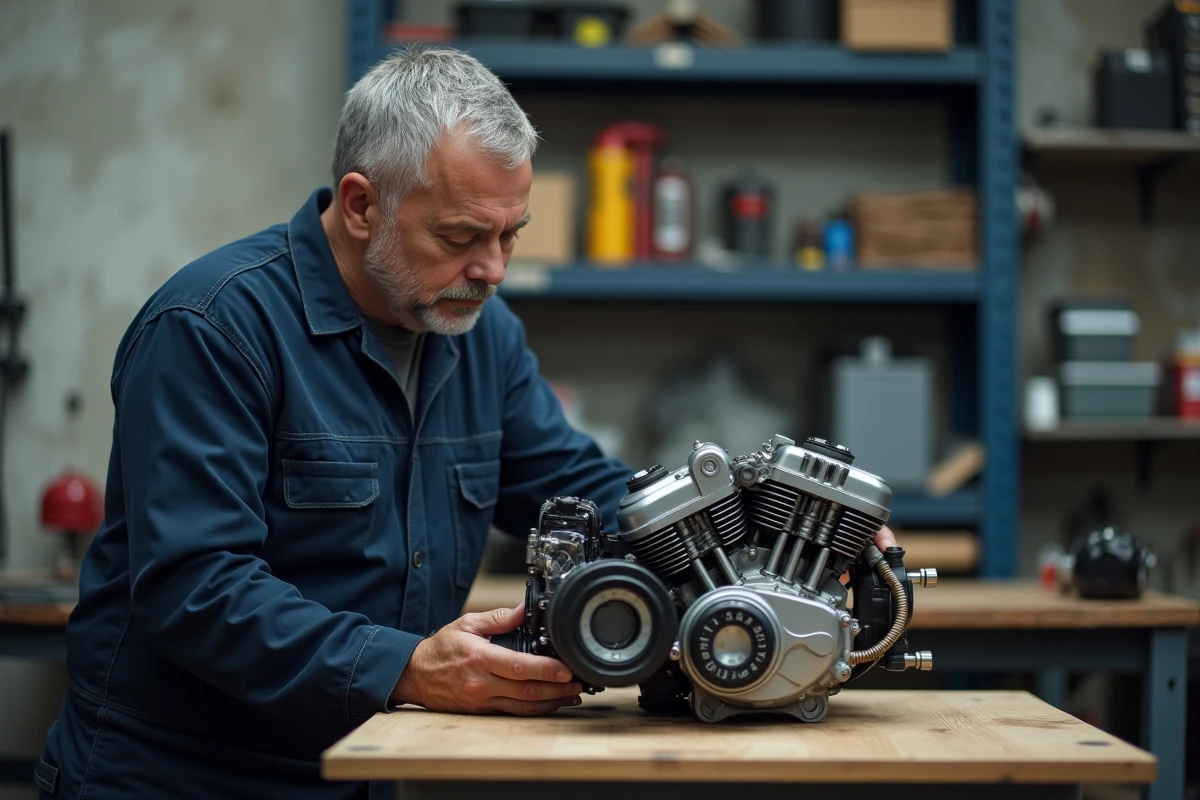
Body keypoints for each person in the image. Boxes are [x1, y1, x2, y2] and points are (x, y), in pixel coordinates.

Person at [36, 46, 897, 800]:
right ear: (362, 203)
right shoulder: (213, 328)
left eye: (511, 236)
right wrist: (404, 666)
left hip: (375, 761)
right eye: (459, 237)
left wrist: (782, 532)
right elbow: (199, 588)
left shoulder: (474, 333)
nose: (491, 271)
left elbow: (579, 488)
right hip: (186, 777)